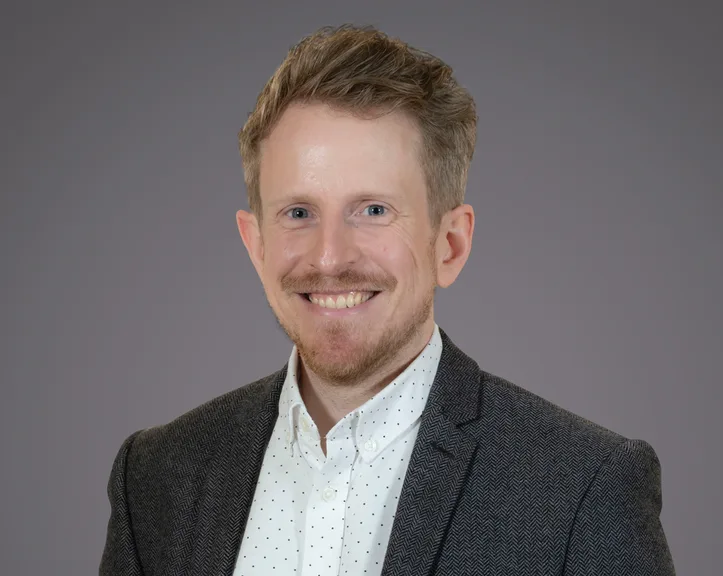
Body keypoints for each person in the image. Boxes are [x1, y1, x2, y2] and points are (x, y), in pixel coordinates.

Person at [100, 24, 676, 576]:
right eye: (298, 213)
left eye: (373, 210)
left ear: (450, 245)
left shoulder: (582, 489)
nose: (329, 258)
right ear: (256, 245)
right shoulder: (155, 477)